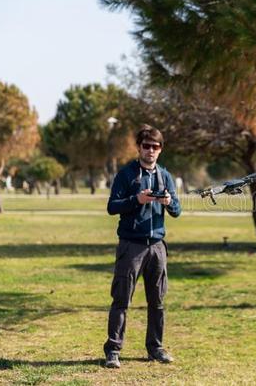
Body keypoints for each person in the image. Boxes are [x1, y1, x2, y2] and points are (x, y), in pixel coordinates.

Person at [103, 125, 181, 369]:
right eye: (146, 146)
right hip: (131, 246)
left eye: (155, 147)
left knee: (157, 301)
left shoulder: (165, 175)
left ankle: (155, 347)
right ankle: (113, 350)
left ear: (160, 150)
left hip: (157, 246)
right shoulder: (126, 174)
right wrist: (136, 200)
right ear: (138, 148)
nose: (150, 150)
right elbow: (112, 206)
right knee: (121, 299)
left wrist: (169, 202)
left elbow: (177, 211)